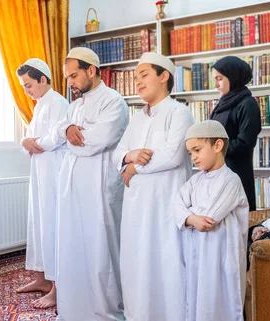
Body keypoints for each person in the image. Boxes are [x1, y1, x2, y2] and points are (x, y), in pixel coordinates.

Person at [112, 52, 194, 321]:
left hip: (165, 205)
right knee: (137, 264)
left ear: (163, 76)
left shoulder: (179, 113)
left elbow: (172, 155)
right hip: (136, 207)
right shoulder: (136, 119)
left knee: (167, 264)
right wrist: (129, 157)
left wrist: (135, 167)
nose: (138, 81)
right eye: (136, 77)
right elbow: (118, 154)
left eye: (143, 75)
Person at [55, 47, 129, 321]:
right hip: (71, 186)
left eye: (74, 75)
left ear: (91, 70)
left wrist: (71, 140)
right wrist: (67, 130)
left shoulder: (114, 102)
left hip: (99, 186)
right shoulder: (73, 106)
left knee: (101, 250)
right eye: (68, 77)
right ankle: (75, 309)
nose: (71, 82)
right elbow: (58, 130)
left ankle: (106, 313)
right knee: (72, 245)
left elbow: (97, 140)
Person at [172, 120, 250, 321]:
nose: (193, 158)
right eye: (190, 153)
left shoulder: (231, 180)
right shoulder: (195, 181)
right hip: (196, 253)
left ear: (217, 145)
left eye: (197, 150)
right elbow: (176, 204)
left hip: (222, 256)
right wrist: (191, 217)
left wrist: (189, 215)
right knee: (197, 300)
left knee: (220, 301)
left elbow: (210, 217)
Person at [15, 58, 69, 309]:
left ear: (43, 80)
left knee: (52, 226)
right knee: (37, 223)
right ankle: (41, 279)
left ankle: (58, 289)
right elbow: (31, 136)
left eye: (28, 85)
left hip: (54, 173)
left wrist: (33, 143)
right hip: (39, 172)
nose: (27, 91)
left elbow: (56, 136)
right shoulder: (39, 106)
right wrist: (27, 142)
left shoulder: (58, 102)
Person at [209, 56, 262, 212]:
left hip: (236, 172)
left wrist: (214, 149)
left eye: (219, 78)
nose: (216, 84)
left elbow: (245, 143)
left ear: (233, 76)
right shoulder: (222, 103)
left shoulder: (248, 104)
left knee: (237, 224)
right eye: (214, 79)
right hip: (217, 171)